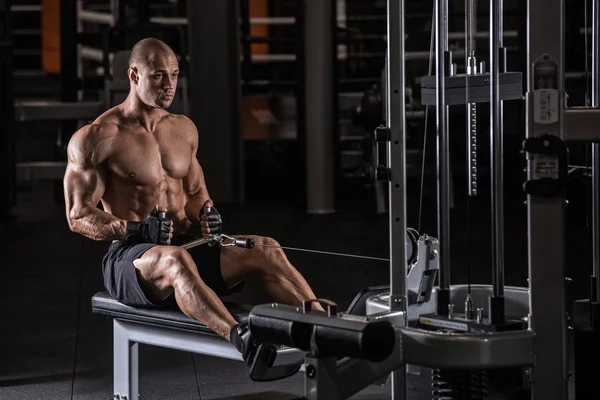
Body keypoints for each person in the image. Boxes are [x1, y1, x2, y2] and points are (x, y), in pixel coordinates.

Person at [63, 37, 323, 369]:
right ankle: (244, 341)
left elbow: (196, 194)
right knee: (176, 260)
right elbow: (78, 215)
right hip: (131, 259)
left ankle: (326, 327)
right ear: (133, 75)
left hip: (187, 245)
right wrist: (132, 227)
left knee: (265, 247)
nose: (168, 85)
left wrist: (205, 213)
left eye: (173, 75)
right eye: (158, 75)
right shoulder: (97, 137)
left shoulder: (182, 129)